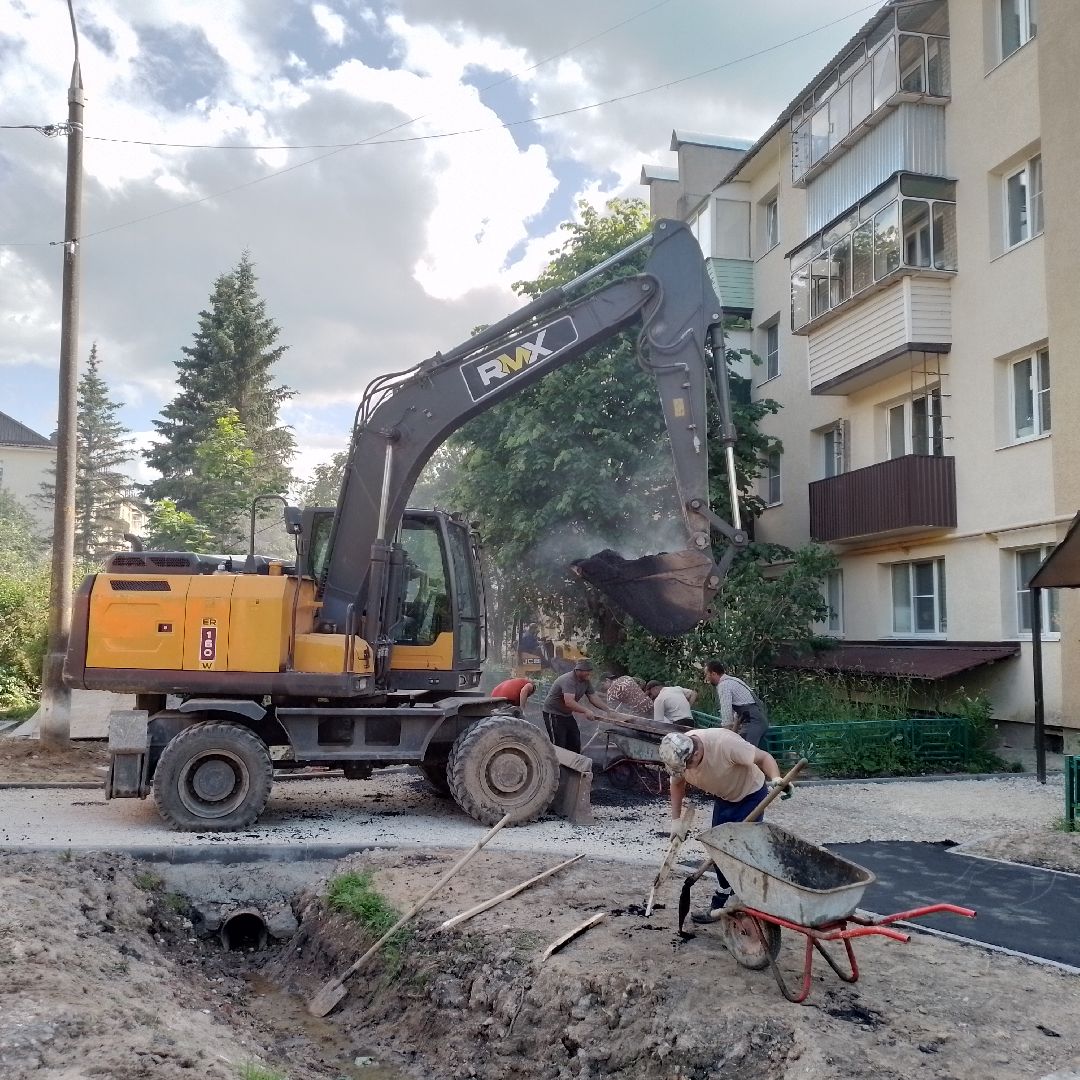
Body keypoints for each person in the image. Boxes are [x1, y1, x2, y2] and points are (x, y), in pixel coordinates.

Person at [659, 729, 792, 923]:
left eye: (687, 767)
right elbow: (677, 784)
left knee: (739, 852)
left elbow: (764, 757)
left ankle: (749, 901)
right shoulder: (679, 753)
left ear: (695, 754)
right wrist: (676, 822)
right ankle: (722, 900)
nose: (685, 772)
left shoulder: (725, 744)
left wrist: (776, 778)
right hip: (725, 797)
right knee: (718, 850)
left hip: (750, 795)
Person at [542, 659, 606, 753]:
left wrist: (608, 710)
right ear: (578, 671)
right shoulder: (568, 680)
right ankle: (557, 766)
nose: (589, 673)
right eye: (587, 671)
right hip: (553, 713)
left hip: (566, 714)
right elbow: (569, 702)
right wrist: (586, 711)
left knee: (574, 740)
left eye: (590, 671)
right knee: (559, 744)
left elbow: (593, 698)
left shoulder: (586, 681)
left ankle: (573, 765)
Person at [704, 660, 769, 748]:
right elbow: (738, 713)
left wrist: (724, 737)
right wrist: (733, 732)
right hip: (757, 720)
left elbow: (726, 713)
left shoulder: (724, 685)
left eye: (707, 674)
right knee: (742, 751)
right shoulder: (733, 680)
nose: (706, 678)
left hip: (753, 722)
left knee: (745, 752)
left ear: (714, 674)